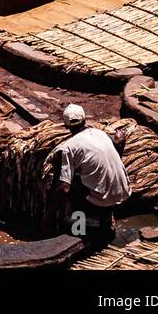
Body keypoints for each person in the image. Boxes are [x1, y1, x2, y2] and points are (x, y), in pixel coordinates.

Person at [51, 104, 131, 242]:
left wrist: (52, 200)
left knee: (72, 186)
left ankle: (78, 230)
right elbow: (118, 141)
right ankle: (106, 218)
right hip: (124, 191)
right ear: (84, 121)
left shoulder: (68, 147)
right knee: (85, 176)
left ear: (66, 126)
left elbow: (65, 187)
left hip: (103, 199)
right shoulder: (99, 133)